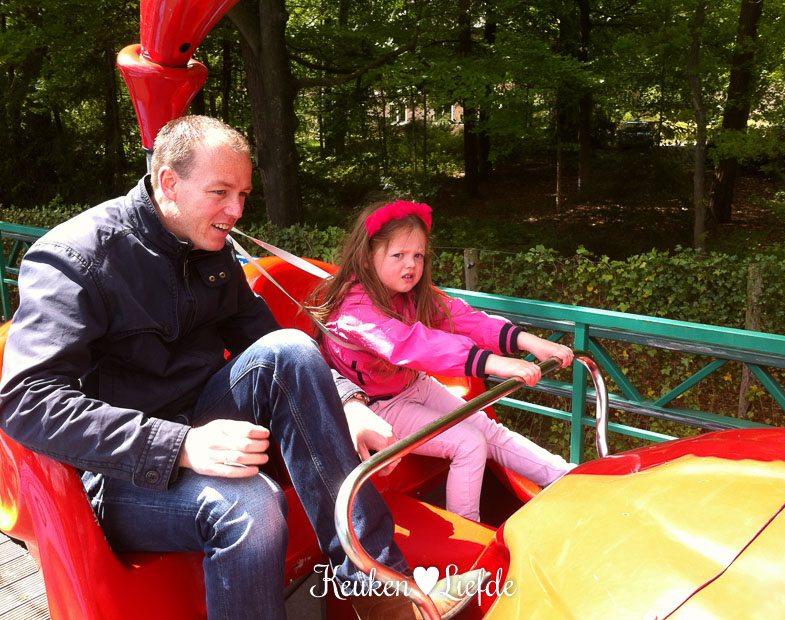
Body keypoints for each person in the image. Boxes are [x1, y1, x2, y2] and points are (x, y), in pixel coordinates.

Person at [0, 116, 482, 620]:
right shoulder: (75, 258)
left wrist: (347, 401)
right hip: (123, 472)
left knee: (290, 347)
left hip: (207, 424)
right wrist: (180, 445)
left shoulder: (213, 250)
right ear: (169, 182)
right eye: (221, 193)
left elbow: (268, 343)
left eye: (243, 195)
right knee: (250, 506)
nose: (236, 211)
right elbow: (27, 402)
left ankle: (376, 589)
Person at [311, 200, 577, 522]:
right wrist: (492, 363)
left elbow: (461, 317)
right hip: (377, 404)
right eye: (398, 255)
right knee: (469, 443)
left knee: (487, 428)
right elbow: (411, 344)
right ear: (367, 257)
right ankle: (468, 533)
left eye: (418, 256)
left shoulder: (409, 295)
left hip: (413, 384)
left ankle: (567, 477)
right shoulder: (355, 309)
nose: (411, 265)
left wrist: (528, 341)